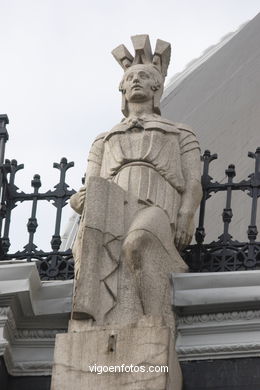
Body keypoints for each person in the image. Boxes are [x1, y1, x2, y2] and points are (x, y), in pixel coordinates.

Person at [70, 35, 202, 327]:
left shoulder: (180, 132)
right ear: (123, 88)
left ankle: (155, 320)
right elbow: (92, 185)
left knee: (138, 242)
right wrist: (79, 199)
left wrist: (186, 213)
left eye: (144, 76)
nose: (137, 81)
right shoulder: (103, 140)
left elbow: (193, 181)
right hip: (112, 211)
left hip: (158, 207)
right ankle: (92, 311)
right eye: (131, 77)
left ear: (157, 88)